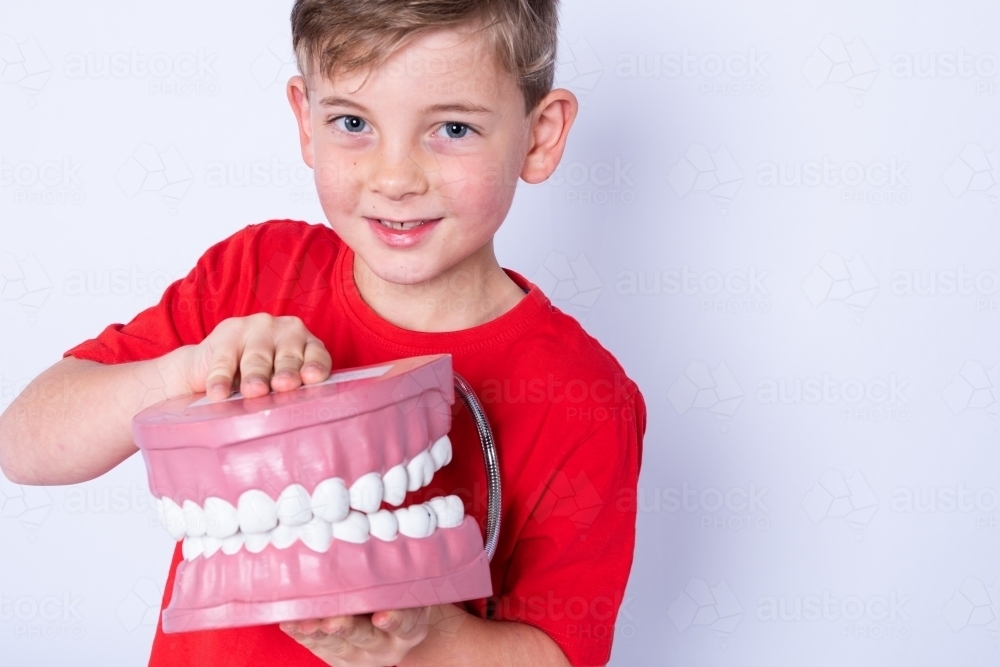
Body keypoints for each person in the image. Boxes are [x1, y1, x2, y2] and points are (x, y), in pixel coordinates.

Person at [0, 1, 646, 665]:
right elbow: (23, 444)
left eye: (453, 128)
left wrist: (423, 641)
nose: (395, 178)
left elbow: (560, 653)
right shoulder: (251, 277)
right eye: (353, 122)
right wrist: (186, 371)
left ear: (540, 136)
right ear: (305, 121)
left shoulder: (586, 398)